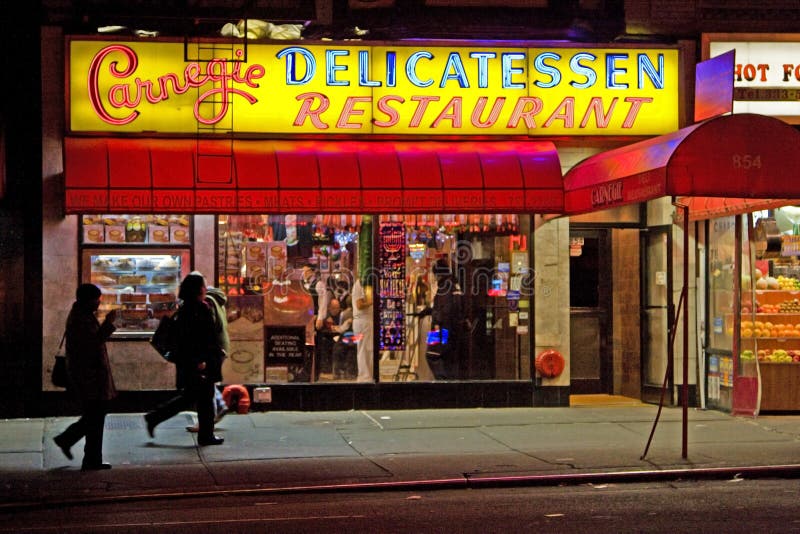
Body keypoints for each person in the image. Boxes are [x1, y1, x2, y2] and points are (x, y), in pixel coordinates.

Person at [145, 273, 226, 445]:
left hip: (195, 362)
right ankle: (205, 435)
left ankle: (155, 418)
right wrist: (201, 360)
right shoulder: (196, 310)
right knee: (202, 399)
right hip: (199, 363)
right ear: (198, 289)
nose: (206, 288)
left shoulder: (188, 308)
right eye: (203, 286)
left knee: (192, 397)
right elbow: (196, 339)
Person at [53, 283, 118, 470]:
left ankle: (83, 451)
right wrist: (108, 323)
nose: (99, 302)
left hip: (89, 376)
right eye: (96, 299)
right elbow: (92, 345)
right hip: (89, 377)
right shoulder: (81, 319)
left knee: (95, 415)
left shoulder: (82, 315)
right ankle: (84, 453)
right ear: (88, 300)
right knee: (96, 416)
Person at [186, 284, 230, 433]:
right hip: (219, 346)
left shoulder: (208, 302)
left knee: (206, 385)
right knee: (209, 383)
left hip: (212, 349)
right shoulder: (218, 300)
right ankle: (219, 407)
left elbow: (206, 328)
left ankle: (206, 422)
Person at [423, 260, 465, 380]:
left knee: (432, 354)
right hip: (452, 328)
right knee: (447, 356)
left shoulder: (445, 286)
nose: (434, 277)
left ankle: (443, 382)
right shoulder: (455, 284)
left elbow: (444, 308)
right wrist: (429, 310)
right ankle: (448, 383)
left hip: (442, 328)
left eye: (435, 274)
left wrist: (436, 323)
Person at [318, 298, 354, 379]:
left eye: (337, 308)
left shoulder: (343, 314)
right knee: (324, 343)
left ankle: (340, 371)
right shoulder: (325, 316)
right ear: (329, 308)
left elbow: (342, 328)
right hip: (327, 337)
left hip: (340, 337)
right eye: (334, 308)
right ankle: (326, 369)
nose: (336, 310)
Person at [352, 278, 374, 382]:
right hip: (362, 321)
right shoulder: (359, 284)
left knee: (367, 349)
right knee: (363, 350)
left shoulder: (365, 284)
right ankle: (365, 377)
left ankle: (367, 376)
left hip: (365, 321)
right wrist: (371, 302)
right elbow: (359, 305)